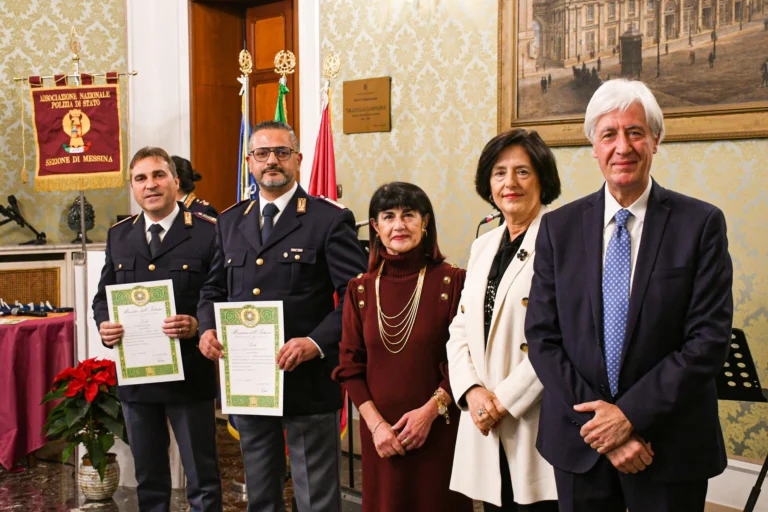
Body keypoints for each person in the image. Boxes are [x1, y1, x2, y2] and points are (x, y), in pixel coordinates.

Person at [525, 79, 733, 512]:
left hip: (668, 446)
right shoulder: (557, 229)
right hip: (582, 445)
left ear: (656, 140)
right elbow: (543, 337)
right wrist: (603, 426)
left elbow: (707, 341)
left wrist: (630, 417)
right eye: (609, 134)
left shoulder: (701, 225)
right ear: (593, 147)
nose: (623, 146)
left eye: (635, 132)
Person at [197, 120, 368, 512]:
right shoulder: (229, 221)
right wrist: (207, 328)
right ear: (249, 162)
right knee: (261, 494)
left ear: (298, 160)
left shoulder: (328, 219)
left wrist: (314, 342)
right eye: (262, 153)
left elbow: (356, 297)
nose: (271, 161)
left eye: (281, 152)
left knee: (316, 499)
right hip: (250, 381)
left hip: (307, 379)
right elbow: (213, 289)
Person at [93, 147, 222, 512]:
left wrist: (199, 324)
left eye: (158, 176)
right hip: (138, 375)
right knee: (149, 479)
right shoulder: (120, 235)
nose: (151, 185)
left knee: (203, 479)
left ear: (175, 182)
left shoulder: (208, 232)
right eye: (141, 178)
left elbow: (220, 291)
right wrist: (105, 326)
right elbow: (102, 297)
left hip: (189, 374)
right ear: (133, 188)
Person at [332, 182, 473, 512]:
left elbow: (465, 359)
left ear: (425, 223)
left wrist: (430, 413)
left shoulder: (453, 282)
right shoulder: (361, 290)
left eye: (409, 215)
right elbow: (349, 367)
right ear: (376, 227)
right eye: (388, 216)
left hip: (439, 429)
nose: (399, 225)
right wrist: (377, 427)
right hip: (380, 435)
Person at [446, 129, 559, 511]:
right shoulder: (483, 245)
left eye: (523, 172)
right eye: (499, 172)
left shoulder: (562, 241)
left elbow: (564, 337)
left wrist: (504, 401)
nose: (509, 183)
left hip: (533, 416)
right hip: (482, 415)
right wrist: (472, 391)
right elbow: (459, 328)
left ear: (543, 179)